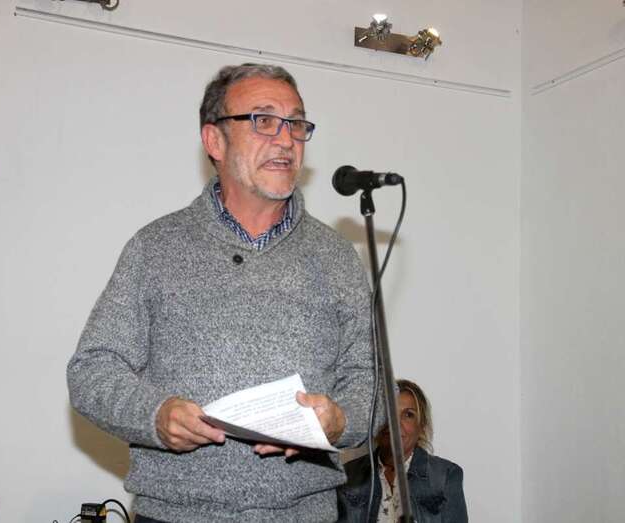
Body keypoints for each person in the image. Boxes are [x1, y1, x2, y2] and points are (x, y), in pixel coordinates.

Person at [67, 63, 380, 523]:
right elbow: (92, 371)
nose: (286, 139)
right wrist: (155, 415)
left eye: (296, 123)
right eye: (264, 120)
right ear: (214, 140)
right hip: (176, 516)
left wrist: (340, 421)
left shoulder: (336, 257)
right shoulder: (156, 248)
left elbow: (370, 385)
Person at [337, 379, 469, 523]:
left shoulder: (445, 476)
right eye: (387, 413)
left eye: (408, 415)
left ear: (421, 426)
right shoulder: (347, 475)